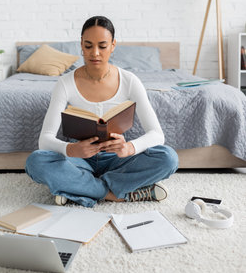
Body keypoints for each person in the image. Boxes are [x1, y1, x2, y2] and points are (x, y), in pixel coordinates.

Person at [25, 16, 178, 208]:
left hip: (117, 158)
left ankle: (77, 189)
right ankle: (113, 194)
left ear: (113, 45)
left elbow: (157, 134)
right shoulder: (65, 83)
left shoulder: (130, 80)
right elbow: (45, 139)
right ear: (81, 45)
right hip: (79, 158)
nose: (95, 53)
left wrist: (129, 148)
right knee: (36, 162)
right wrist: (71, 149)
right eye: (88, 46)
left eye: (102, 46)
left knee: (168, 158)